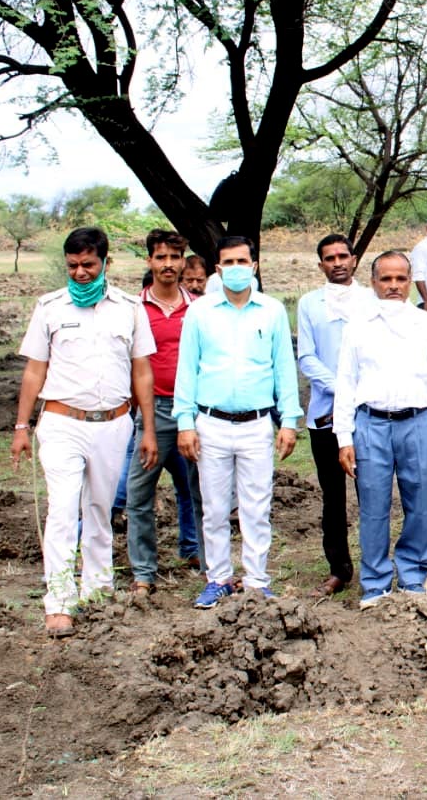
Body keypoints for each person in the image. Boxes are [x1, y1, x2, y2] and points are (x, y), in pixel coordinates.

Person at [11, 227, 157, 636]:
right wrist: (22, 426)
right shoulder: (50, 308)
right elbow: (34, 370)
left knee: (100, 511)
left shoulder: (128, 308)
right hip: (61, 424)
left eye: (88, 265)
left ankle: (98, 592)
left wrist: (146, 429)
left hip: (113, 425)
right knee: (61, 510)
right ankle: (58, 600)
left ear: (105, 264)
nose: (79, 273)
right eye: (73, 265)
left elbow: (141, 370)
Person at [175, 236, 301, 609]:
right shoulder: (200, 313)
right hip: (210, 422)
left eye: (241, 262)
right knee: (214, 508)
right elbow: (188, 369)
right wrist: (185, 421)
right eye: (227, 263)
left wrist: (289, 420)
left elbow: (283, 368)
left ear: (254, 266)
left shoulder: (272, 311)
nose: (235, 269)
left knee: (256, 506)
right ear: (217, 270)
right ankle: (218, 578)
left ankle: (257, 580)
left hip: (256, 423)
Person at [334, 252, 427, 606]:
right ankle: (375, 582)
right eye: (385, 279)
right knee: (373, 504)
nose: (393, 286)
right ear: (373, 282)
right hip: (370, 424)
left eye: (400, 279)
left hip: (416, 423)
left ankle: (413, 576)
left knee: (418, 502)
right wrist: (345, 437)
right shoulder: (357, 326)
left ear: (410, 282)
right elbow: (346, 383)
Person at [124, 229, 206, 594]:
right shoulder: (132, 309)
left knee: (204, 491)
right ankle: (144, 572)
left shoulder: (200, 308)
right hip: (151, 410)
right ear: (150, 262)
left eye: (175, 258)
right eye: (161, 257)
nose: (168, 265)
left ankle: (210, 565)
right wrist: (140, 419)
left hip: (194, 411)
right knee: (138, 494)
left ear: (183, 261)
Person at [297, 234, 369, 597]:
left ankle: (375, 566)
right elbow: (307, 357)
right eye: (330, 258)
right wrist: (342, 389)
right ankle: (338, 569)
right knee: (332, 496)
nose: (337, 262)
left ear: (354, 260)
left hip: (368, 415)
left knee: (370, 492)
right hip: (325, 415)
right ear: (321, 264)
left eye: (343, 256)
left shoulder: (372, 301)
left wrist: (361, 392)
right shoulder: (310, 304)